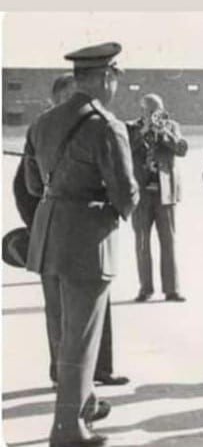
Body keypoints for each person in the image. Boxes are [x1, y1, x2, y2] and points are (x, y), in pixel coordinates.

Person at [23, 42, 139, 447]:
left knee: (62, 332)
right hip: (87, 239)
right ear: (106, 78)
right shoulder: (107, 125)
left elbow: (34, 185)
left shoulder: (42, 122)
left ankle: (83, 403)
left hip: (47, 236)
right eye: (115, 80)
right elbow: (126, 194)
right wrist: (120, 205)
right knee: (81, 336)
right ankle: (68, 429)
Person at [12, 72, 130, 389]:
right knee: (63, 312)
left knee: (89, 310)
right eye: (64, 98)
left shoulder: (43, 127)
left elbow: (34, 183)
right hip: (71, 231)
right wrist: (34, 224)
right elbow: (24, 188)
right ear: (55, 98)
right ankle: (68, 382)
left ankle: (98, 370)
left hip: (54, 231)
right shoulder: (75, 126)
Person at [127, 93, 187, 302]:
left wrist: (163, 132)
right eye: (150, 110)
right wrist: (143, 132)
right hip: (142, 194)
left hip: (165, 192)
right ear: (142, 110)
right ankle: (145, 288)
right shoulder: (131, 128)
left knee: (168, 242)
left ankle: (171, 289)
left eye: (158, 110)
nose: (155, 114)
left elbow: (181, 149)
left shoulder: (171, 126)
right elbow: (124, 151)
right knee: (142, 242)